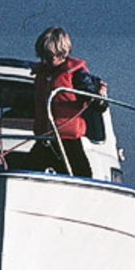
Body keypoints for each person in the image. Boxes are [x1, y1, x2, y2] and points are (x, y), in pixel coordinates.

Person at [28, 26, 107, 178]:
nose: (50, 60)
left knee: (82, 176)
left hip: (69, 141)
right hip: (45, 139)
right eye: (46, 56)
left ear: (63, 53)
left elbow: (96, 104)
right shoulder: (42, 73)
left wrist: (98, 98)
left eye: (54, 55)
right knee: (27, 172)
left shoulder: (77, 75)